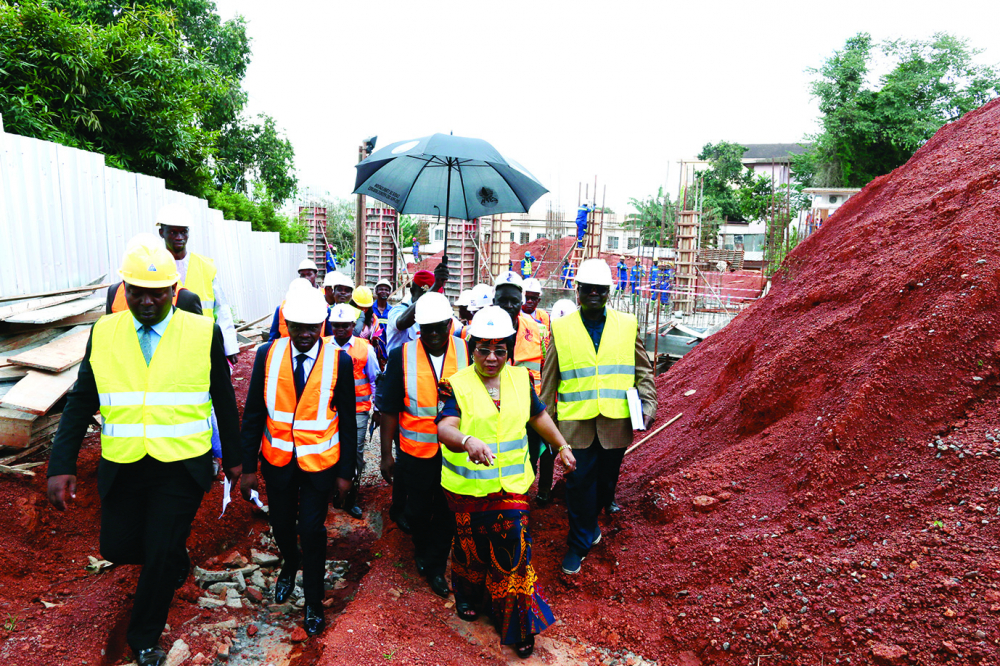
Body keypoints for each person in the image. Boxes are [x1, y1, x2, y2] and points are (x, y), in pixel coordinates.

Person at [47, 240, 241, 666]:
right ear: (124, 288)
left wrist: (236, 460)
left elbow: (223, 396)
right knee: (117, 546)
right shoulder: (105, 331)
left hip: (182, 465)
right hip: (125, 464)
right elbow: (81, 400)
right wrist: (60, 465)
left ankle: (144, 638)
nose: (147, 300)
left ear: (174, 290)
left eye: (157, 292)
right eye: (137, 291)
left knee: (156, 554)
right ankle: (174, 554)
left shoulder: (202, 331)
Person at [436, 306, 576, 659]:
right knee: (471, 548)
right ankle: (468, 595)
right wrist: (467, 441)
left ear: (510, 349)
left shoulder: (521, 381)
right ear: (473, 348)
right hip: (467, 491)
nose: (492, 357)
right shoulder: (457, 384)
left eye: (500, 349)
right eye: (484, 348)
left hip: (512, 488)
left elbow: (538, 415)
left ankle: (517, 623)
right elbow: (445, 428)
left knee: (514, 550)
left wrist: (561, 445)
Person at [239, 287, 356, 637]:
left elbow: (348, 421)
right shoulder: (267, 354)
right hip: (278, 462)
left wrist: (346, 474)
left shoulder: (340, 361)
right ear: (286, 323)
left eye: (312, 327)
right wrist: (247, 469)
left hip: (320, 465)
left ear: (322, 324)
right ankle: (290, 562)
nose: (305, 335)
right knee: (281, 525)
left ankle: (314, 604)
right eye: (297, 327)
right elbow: (254, 414)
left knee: (312, 530)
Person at [539, 259, 658, 575]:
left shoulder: (626, 324)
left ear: (608, 292)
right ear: (577, 291)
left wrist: (648, 405)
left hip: (615, 423)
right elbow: (549, 382)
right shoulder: (561, 329)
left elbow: (643, 371)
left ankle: (591, 525)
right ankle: (578, 543)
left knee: (605, 484)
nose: (593, 293)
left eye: (600, 290)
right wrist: (549, 430)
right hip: (574, 425)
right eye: (587, 289)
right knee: (578, 484)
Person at [379, 292, 468, 598]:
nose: (432, 335)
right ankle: (421, 548)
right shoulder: (401, 356)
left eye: (439, 328)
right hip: (415, 452)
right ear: (418, 327)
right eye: (426, 328)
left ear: (450, 324)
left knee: (446, 511)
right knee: (416, 512)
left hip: (454, 452)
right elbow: (390, 408)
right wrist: (386, 454)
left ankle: (434, 566)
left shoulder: (467, 352)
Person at [492, 272, 553, 504]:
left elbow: (546, 369)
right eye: (502, 300)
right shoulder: (481, 331)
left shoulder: (538, 331)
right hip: (494, 413)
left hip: (529, 411)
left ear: (522, 299)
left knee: (529, 462)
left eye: (514, 300)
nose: (509, 305)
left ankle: (519, 502)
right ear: (493, 300)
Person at [155, 204, 239, 364]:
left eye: (183, 231)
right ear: (161, 233)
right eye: (173, 232)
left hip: (204, 344)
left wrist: (229, 346)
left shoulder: (205, 266)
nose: (179, 237)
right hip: (168, 346)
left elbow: (221, 308)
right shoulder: (155, 266)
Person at [327, 303, 380, 520]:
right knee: (329, 449)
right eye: (336, 325)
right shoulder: (323, 346)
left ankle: (351, 497)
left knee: (355, 453)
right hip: (329, 412)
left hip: (358, 410)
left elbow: (375, 379)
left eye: (345, 326)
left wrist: (377, 407)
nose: (340, 330)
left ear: (352, 325)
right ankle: (331, 491)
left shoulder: (364, 348)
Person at [107, 234, 202, 316]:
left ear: (173, 288)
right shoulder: (114, 292)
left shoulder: (185, 298)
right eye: (136, 292)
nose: (146, 302)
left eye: (157, 293)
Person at [385, 265, 448, 353]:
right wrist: (435, 287)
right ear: (412, 292)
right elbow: (401, 323)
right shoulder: (398, 310)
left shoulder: (435, 315)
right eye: (425, 296)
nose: (429, 302)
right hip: (401, 365)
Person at [269, 278, 333, 341]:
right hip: (288, 348)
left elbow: (330, 337)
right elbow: (273, 337)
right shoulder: (281, 309)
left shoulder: (324, 309)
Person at [371, 279, 393, 369]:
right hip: (372, 349)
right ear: (376, 291)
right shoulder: (370, 309)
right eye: (381, 289)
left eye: (386, 290)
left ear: (389, 293)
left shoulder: (392, 311)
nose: (383, 292)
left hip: (387, 350)